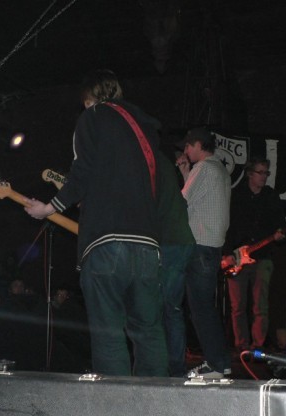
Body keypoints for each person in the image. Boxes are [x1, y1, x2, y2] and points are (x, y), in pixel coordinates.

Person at [24, 69, 168, 377]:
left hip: (107, 243)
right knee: (149, 332)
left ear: (90, 97)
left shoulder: (93, 117)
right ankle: (157, 399)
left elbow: (82, 171)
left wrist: (49, 207)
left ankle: (114, 403)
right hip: (148, 246)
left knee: (108, 334)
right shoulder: (146, 130)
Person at [176, 126, 231, 378]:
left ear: (198, 145)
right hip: (211, 246)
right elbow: (199, 199)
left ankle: (216, 365)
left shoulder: (204, 168)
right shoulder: (218, 169)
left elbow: (181, 202)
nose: (186, 151)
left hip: (200, 246)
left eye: (188, 146)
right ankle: (221, 362)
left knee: (200, 309)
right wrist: (186, 173)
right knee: (205, 307)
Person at [221, 158, 286, 352]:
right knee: (237, 306)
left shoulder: (271, 197)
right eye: (260, 172)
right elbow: (226, 227)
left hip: (262, 257)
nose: (264, 176)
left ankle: (258, 347)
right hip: (237, 257)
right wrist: (227, 253)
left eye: (266, 173)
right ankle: (241, 347)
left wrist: (280, 235)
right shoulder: (235, 196)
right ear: (250, 173)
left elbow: (280, 226)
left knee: (260, 306)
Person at [159, 150, 195, 377]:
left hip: (172, 244)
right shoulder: (168, 179)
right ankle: (174, 366)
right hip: (179, 244)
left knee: (167, 308)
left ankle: (173, 367)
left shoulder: (156, 176)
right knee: (170, 308)